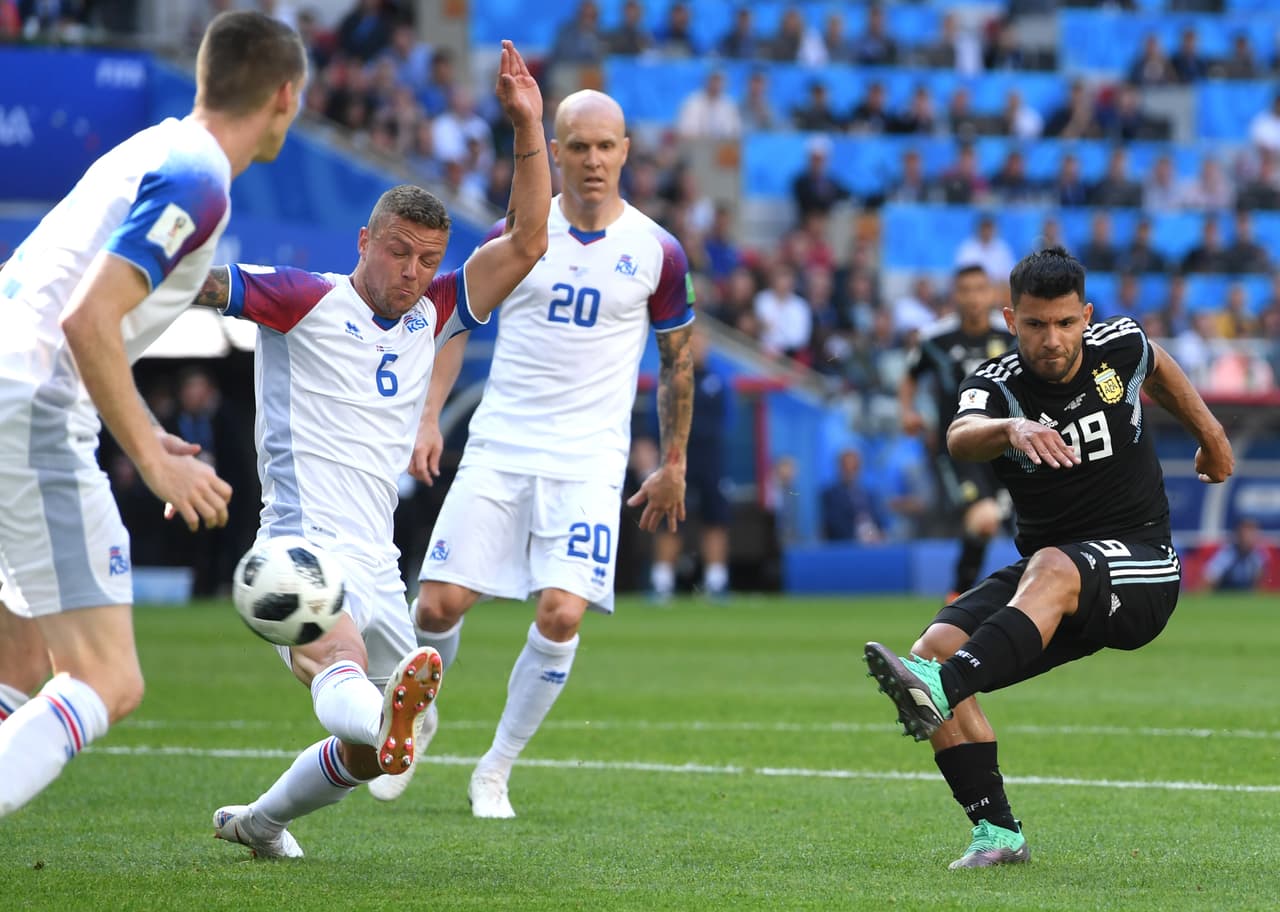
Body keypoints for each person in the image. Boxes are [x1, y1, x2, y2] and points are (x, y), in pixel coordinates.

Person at [199, 41, 551, 857]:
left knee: (368, 752)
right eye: (399, 252)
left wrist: (527, 128)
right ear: (365, 239)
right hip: (299, 539)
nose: (412, 271)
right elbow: (212, 287)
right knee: (343, 657)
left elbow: (529, 241)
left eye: (428, 258)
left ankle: (264, 822)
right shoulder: (304, 300)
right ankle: (381, 708)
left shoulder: (433, 309)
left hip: (379, 557)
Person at [0, 10, 307, 818]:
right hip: (30, 407)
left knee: (21, 658)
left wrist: (136, 419)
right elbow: (86, 320)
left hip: (11, 390)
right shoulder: (199, 179)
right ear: (286, 95)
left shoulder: (153, 148)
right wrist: (151, 450)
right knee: (107, 678)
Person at [366, 88, 696, 815]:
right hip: (501, 444)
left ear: (626, 152)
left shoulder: (656, 250)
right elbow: (452, 323)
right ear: (555, 151)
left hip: (588, 460)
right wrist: (428, 419)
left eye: (606, 145)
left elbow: (678, 362)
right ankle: (420, 717)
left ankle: (496, 768)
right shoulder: (518, 234)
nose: (592, 160)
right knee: (439, 604)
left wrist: (672, 463)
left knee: (561, 615)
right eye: (577, 145)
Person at [865, 247, 1234, 869]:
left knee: (1042, 579)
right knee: (932, 644)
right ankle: (997, 834)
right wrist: (1012, 429)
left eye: (1065, 323)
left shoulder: (1121, 346)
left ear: (1086, 316)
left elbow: (1159, 365)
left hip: (1142, 562)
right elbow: (958, 438)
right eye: (1036, 325)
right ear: (1012, 320)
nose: (1052, 340)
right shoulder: (996, 385)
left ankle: (940, 688)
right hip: (1053, 575)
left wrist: (1213, 436)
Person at [900, 265, 1015, 599]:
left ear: (992, 293)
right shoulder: (935, 339)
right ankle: (966, 594)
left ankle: (959, 595)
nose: (973, 297)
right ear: (955, 294)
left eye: (980, 289)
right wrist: (908, 412)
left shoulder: (1009, 336)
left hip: (1004, 446)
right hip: (959, 449)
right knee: (986, 518)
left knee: (992, 524)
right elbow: (909, 376)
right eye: (965, 289)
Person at [650, 325, 732, 601]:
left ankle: (716, 581)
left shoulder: (717, 382)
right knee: (670, 519)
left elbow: (723, 423)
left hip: (709, 460)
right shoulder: (670, 380)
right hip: (675, 461)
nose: (697, 348)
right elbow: (657, 422)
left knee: (715, 518)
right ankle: (662, 581)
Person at [1203, 518, 1269, 591]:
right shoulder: (1227, 554)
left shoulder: (1258, 555)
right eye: (1246, 533)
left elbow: (1257, 582)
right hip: (1225, 595)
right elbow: (1210, 578)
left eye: (1253, 532)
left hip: (1246, 596)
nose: (1249, 537)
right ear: (1238, 534)